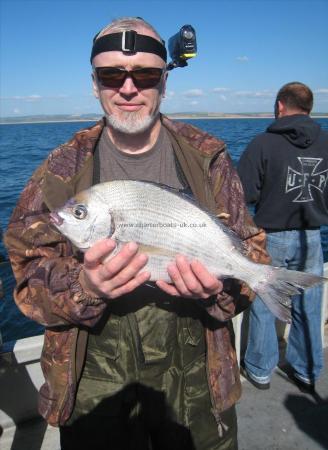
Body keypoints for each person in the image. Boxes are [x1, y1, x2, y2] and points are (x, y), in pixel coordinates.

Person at [4, 17, 270, 450]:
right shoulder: (58, 169)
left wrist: (216, 292)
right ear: (95, 84)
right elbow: (25, 270)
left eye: (145, 74)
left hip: (198, 373)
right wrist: (83, 285)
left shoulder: (209, 158)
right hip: (95, 380)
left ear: (163, 84)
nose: (128, 88)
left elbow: (252, 254)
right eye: (112, 75)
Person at [237, 81, 328, 393]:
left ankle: (260, 370)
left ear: (279, 106)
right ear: (309, 108)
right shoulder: (326, 143)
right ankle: (308, 369)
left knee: (265, 301)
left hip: (272, 235)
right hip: (313, 236)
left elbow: (244, 193)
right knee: (310, 304)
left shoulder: (263, 144)